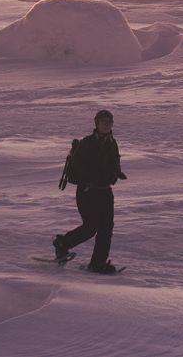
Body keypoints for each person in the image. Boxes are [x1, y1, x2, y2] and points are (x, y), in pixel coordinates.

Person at [52, 108, 127, 273]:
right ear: (97, 123)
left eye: (110, 122)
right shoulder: (87, 143)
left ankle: (97, 263)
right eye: (103, 122)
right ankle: (62, 243)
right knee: (91, 227)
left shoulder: (112, 143)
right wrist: (94, 178)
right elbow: (78, 167)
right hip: (87, 191)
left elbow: (114, 163)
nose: (107, 125)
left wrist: (116, 174)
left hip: (105, 192)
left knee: (106, 228)